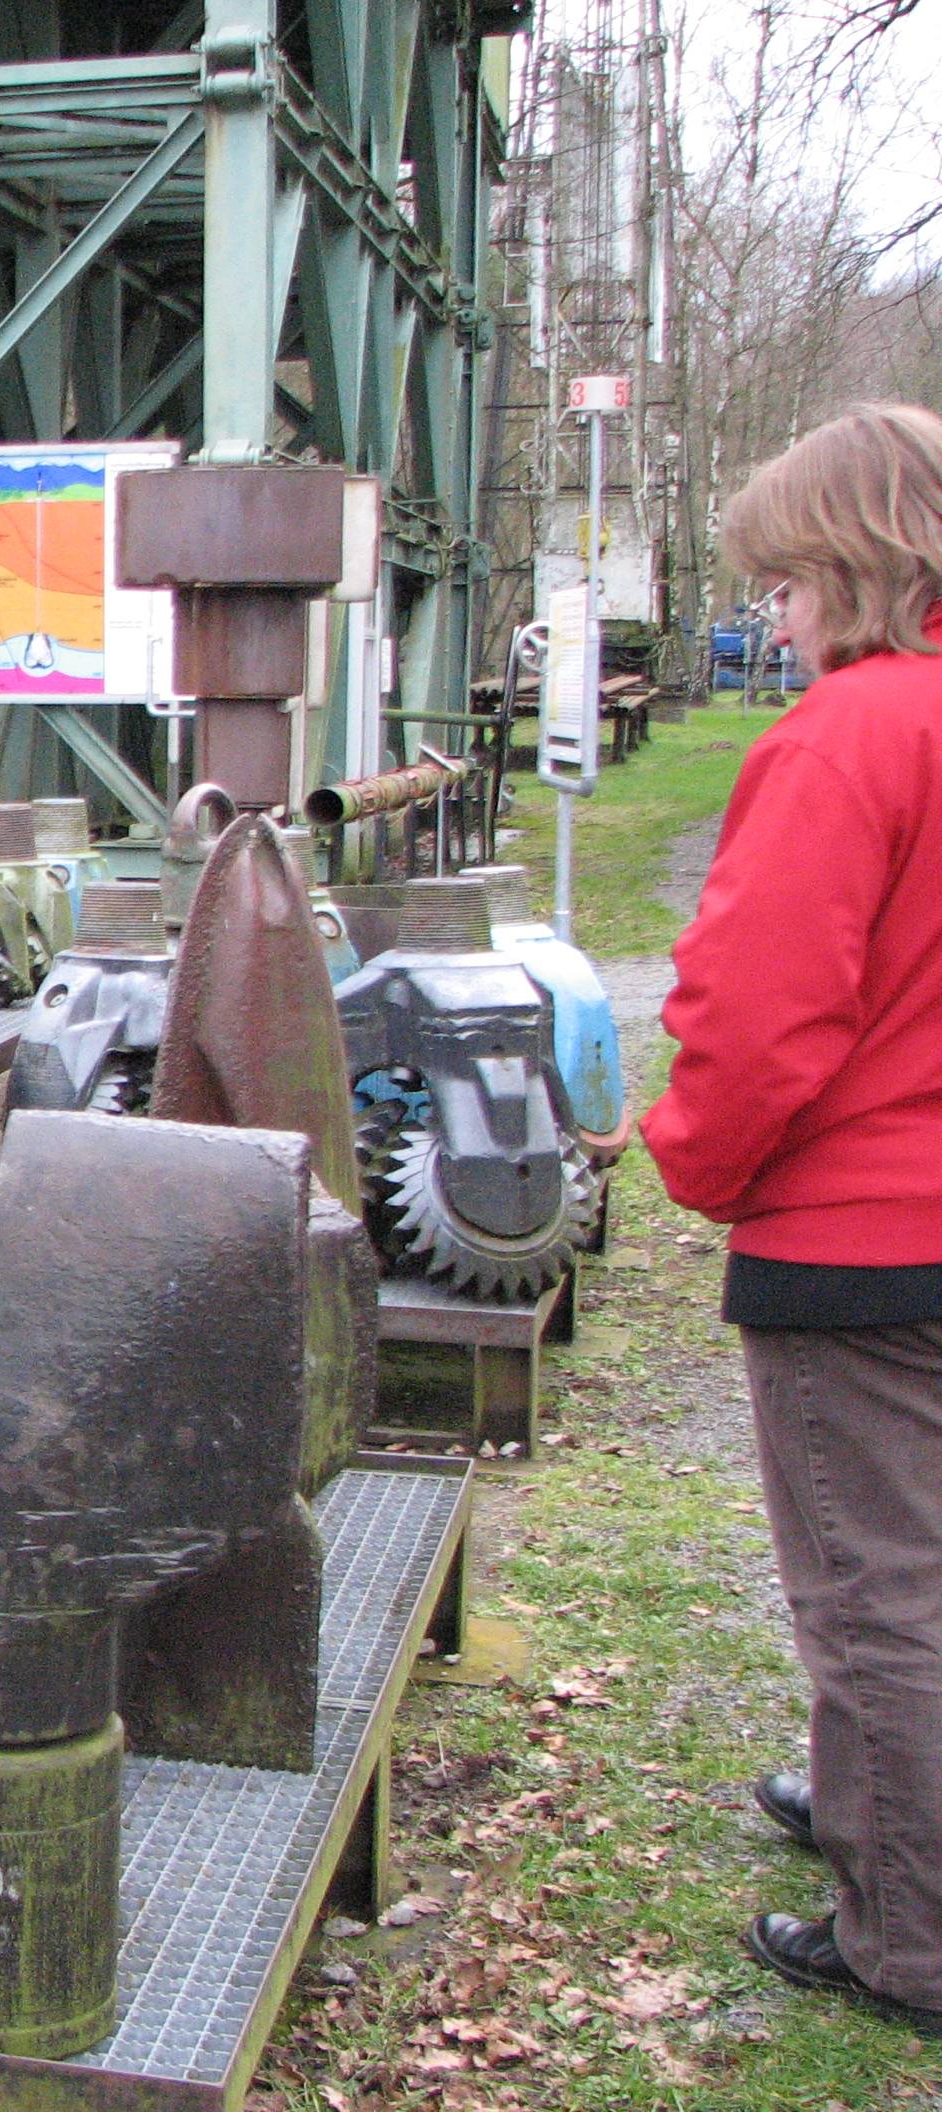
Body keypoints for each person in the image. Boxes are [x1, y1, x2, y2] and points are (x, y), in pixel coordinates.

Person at [646, 400, 942, 2036]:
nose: (773, 616)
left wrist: (689, 1155)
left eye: (781, 584)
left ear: (852, 562)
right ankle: (869, 1800)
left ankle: (913, 1936)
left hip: (866, 1241)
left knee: (874, 1591)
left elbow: (761, 1009)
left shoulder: (854, 733)